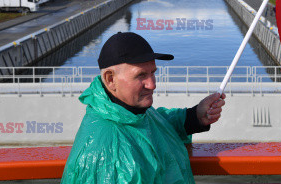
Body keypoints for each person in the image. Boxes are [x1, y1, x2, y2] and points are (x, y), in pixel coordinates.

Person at [61, 32, 226, 184]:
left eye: (153, 73)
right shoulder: (107, 157)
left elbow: (157, 125)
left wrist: (195, 116)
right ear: (110, 79)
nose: (152, 84)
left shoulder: (129, 111)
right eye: (141, 75)